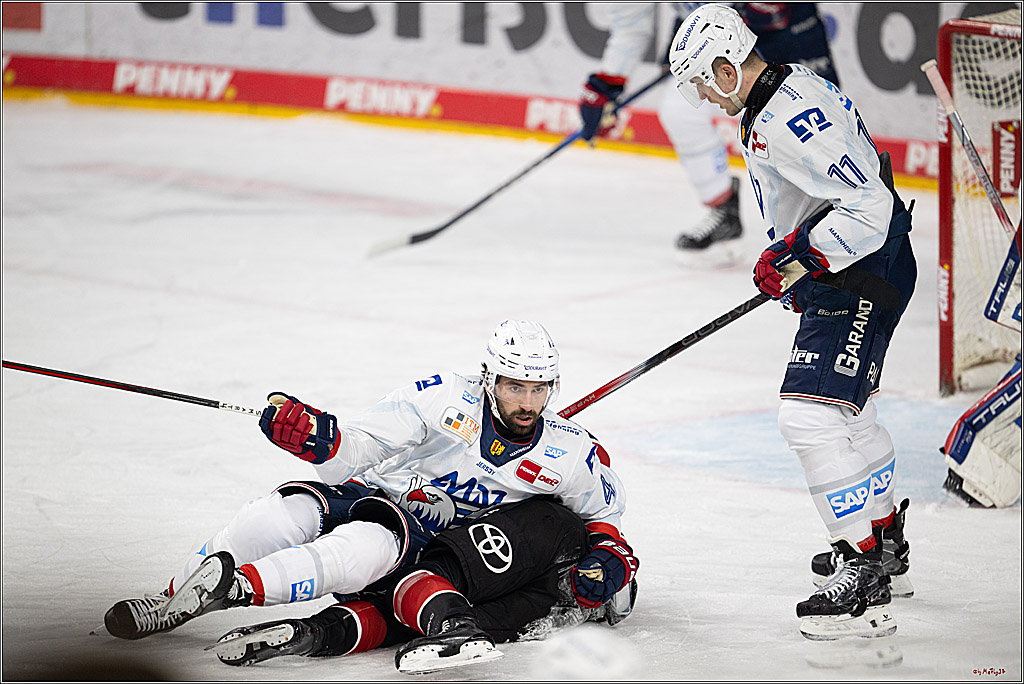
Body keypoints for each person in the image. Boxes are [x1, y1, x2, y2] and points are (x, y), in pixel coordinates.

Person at [103, 319, 639, 671]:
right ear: (489, 378)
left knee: (359, 547)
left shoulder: (570, 452)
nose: (527, 402)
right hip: (374, 494)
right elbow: (358, 448)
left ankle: (238, 589)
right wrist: (321, 439)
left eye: (538, 389)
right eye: (514, 387)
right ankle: (173, 600)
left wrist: (608, 562)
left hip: (430, 544)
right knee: (272, 517)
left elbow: (602, 521)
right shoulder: (441, 396)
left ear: (553, 386)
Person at [667, 4, 917, 639]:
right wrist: (794, 256)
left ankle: (864, 573)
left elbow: (870, 207)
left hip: (862, 268)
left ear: (727, 67)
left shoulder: (790, 119)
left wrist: (802, 255)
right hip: (851, 266)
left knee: (807, 415)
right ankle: (882, 540)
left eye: (702, 81)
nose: (701, 95)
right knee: (848, 416)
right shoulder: (773, 99)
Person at [206, 496, 637, 672]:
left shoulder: (551, 612)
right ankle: (318, 634)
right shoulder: (566, 539)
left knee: (413, 612)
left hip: (494, 572)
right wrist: (604, 555)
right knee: (434, 593)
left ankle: (313, 633)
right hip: (539, 539)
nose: (600, 611)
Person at [579, 3, 839, 264]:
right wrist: (608, 81)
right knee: (680, 111)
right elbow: (630, 25)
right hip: (705, 32)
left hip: (785, 28)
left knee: (811, 120)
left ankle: (844, 215)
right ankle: (723, 209)